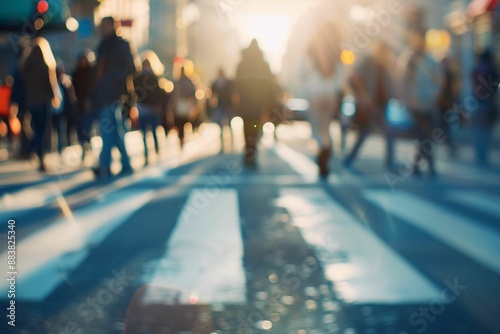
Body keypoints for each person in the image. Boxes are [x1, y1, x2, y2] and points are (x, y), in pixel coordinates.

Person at [90, 16, 136, 178]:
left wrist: (113, 78)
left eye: (106, 25)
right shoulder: (103, 44)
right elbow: (97, 72)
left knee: (107, 130)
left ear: (113, 26)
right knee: (115, 132)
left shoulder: (121, 44)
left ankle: (104, 166)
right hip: (103, 94)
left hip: (114, 94)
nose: (103, 28)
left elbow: (132, 68)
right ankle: (126, 164)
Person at [343, 40, 395, 170]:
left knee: (386, 132)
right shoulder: (368, 61)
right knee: (366, 134)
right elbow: (354, 77)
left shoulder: (385, 65)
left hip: (381, 105)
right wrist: (363, 96)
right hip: (369, 105)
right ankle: (350, 158)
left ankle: (389, 163)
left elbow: (389, 84)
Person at [302, 22, 346, 177]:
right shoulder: (337, 50)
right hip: (330, 94)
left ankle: (323, 148)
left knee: (316, 126)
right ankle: (326, 149)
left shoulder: (312, 49)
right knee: (326, 125)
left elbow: (302, 71)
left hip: (315, 93)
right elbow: (342, 76)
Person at [398, 27, 443, 177]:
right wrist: (403, 99)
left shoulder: (431, 60)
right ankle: (428, 166)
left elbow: (438, 80)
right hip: (414, 104)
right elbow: (403, 81)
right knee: (425, 136)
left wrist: (433, 95)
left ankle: (418, 166)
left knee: (424, 137)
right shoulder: (409, 59)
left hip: (428, 104)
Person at [21, 37, 61, 172]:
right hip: (43, 101)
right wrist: (53, 97)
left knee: (36, 129)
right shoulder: (44, 64)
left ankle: (33, 150)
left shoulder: (26, 65)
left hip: (31, 102)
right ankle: (40, 155)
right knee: (43, 130)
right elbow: (49, 84)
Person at [233, 39, 275, 166]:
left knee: (246, 126)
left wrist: (235, 100)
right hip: (258, 103)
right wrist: (269, 103)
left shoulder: (242, 64)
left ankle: (249, 149)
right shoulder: (264, 65)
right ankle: (252, 148)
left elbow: (236, 85)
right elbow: (270, 86)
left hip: (246, 103)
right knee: (255, 127)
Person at [133, 50, 167, 165]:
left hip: (152, 108)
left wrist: (158, 104)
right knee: (143, 133)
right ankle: (146, 153)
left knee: (153, 131)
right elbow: (135, 92)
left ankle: (157, 150)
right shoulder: (137, 78)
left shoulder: (155, 78)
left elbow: (160, 93)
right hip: (142, 107)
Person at [472, 49, 498, 167]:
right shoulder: (491, 69)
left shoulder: (476, 69)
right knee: (486, 130)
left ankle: (479, 153)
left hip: (477, 101)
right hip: (487, 103)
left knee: (478, 129)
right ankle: (484, 154)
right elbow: (494, 88)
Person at [72, 52, 94, 159]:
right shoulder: (76, 74)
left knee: (87, 125)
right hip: (79, 105)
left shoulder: (91, 73)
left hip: (89, 104)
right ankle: (83, 145)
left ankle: (88, 143)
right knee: (80, 127)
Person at [171, 66, 196, 149]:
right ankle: (182, 139)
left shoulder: (184, 81)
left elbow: (193, 93)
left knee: (182, 122)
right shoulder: (178, 81)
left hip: (184, 105)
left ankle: (183, 138)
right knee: (180, 123)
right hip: (180, 105)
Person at [210, 68, 233, 151]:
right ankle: (223, 142)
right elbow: (211, 92)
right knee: (220, 124)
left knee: (229, 123)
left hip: (227, 105)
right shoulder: (215, 83)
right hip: (220, 105)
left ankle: (231, 141)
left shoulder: (228, 82)